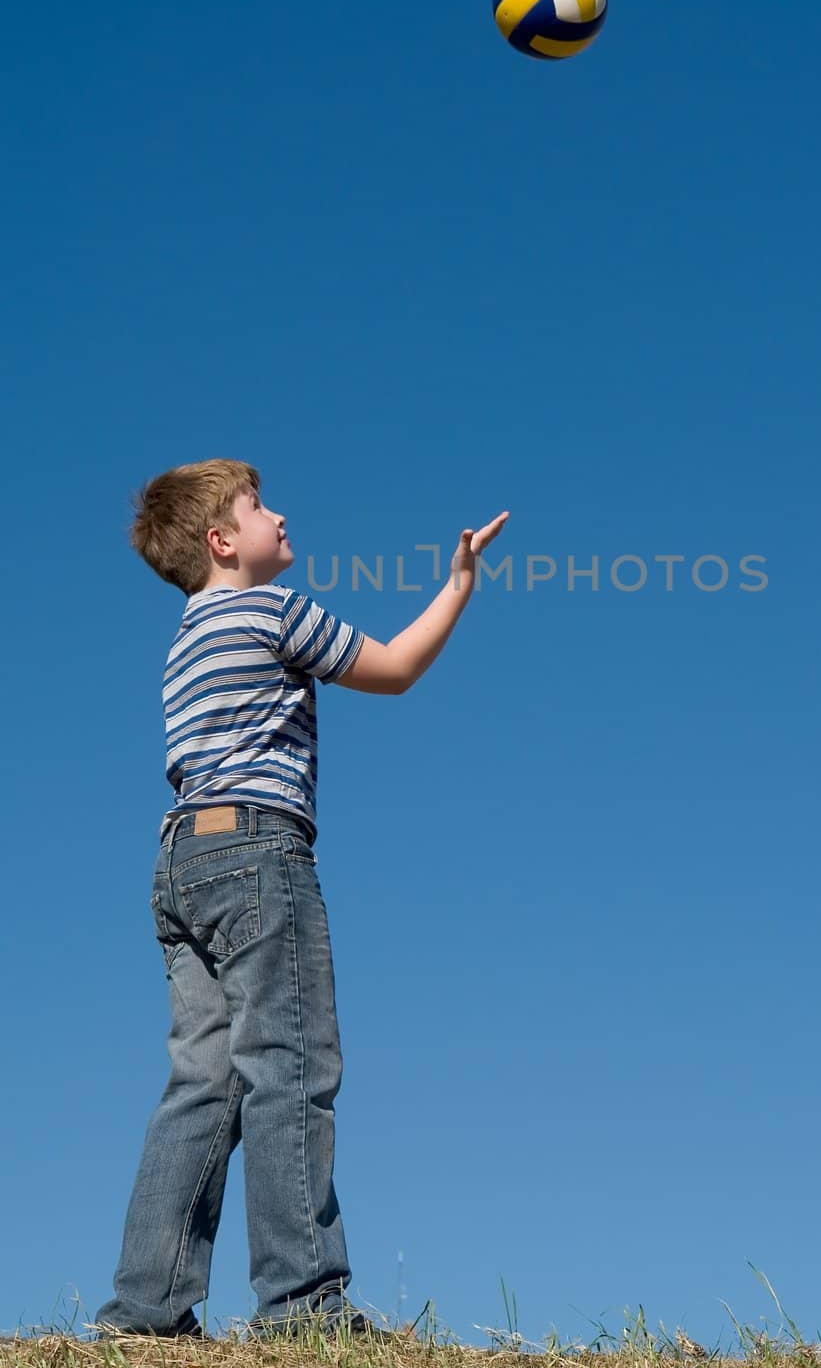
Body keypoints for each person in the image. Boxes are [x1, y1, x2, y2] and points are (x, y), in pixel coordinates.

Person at [94, 458, 508, 1341]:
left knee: (203, 1085)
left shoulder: (186, 637)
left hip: (179, 864)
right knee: (290, 1070)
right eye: (258, 505)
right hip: (257, 855)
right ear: (222, 540)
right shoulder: (274, 611)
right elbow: (392, 669)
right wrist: (460, 587)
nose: (279, 515)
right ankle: (299, 1303)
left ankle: (145, 1310)